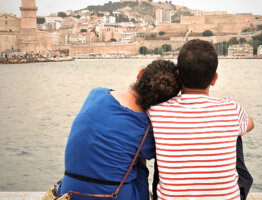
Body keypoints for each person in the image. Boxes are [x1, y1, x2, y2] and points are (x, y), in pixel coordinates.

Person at [56, 60, 181, 200]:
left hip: (68, 193)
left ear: (140, 73)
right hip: (112, 196)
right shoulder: (145, 128)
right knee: (139, 159)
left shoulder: (96, 94)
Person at [148, 39, 254, 200]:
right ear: (214, 78)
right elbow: (250, 124)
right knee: (236, 132)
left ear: (178, 75)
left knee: (162, 137)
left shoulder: (156, 110)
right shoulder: (232, 108)